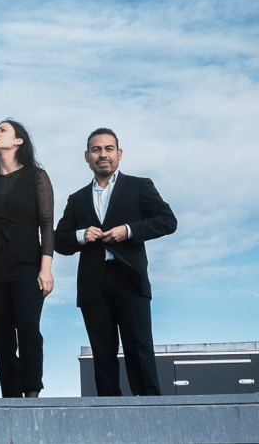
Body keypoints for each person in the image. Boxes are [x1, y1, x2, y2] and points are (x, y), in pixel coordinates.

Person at [54, 128, 177, 396]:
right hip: (93, 285)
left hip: (130, 279)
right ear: (87, 157)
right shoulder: (76, 200)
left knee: (139, 350)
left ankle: (152, 415)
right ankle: (110, 419)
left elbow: (168, 221)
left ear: (119, 155)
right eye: (96, 150)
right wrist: (81, 235)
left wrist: (129, 230)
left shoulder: (139, 186)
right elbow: (59, 240)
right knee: (102, 355)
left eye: (109, 149)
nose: (103, 154)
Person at [0, 120, 55, 398]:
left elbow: (47, 223)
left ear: (18, 141)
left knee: (28, 328)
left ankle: (31, 394)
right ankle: (11, 399)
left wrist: (46, 268)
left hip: (27, 263)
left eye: (2, 130)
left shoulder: (36, 177)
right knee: (1, 338)